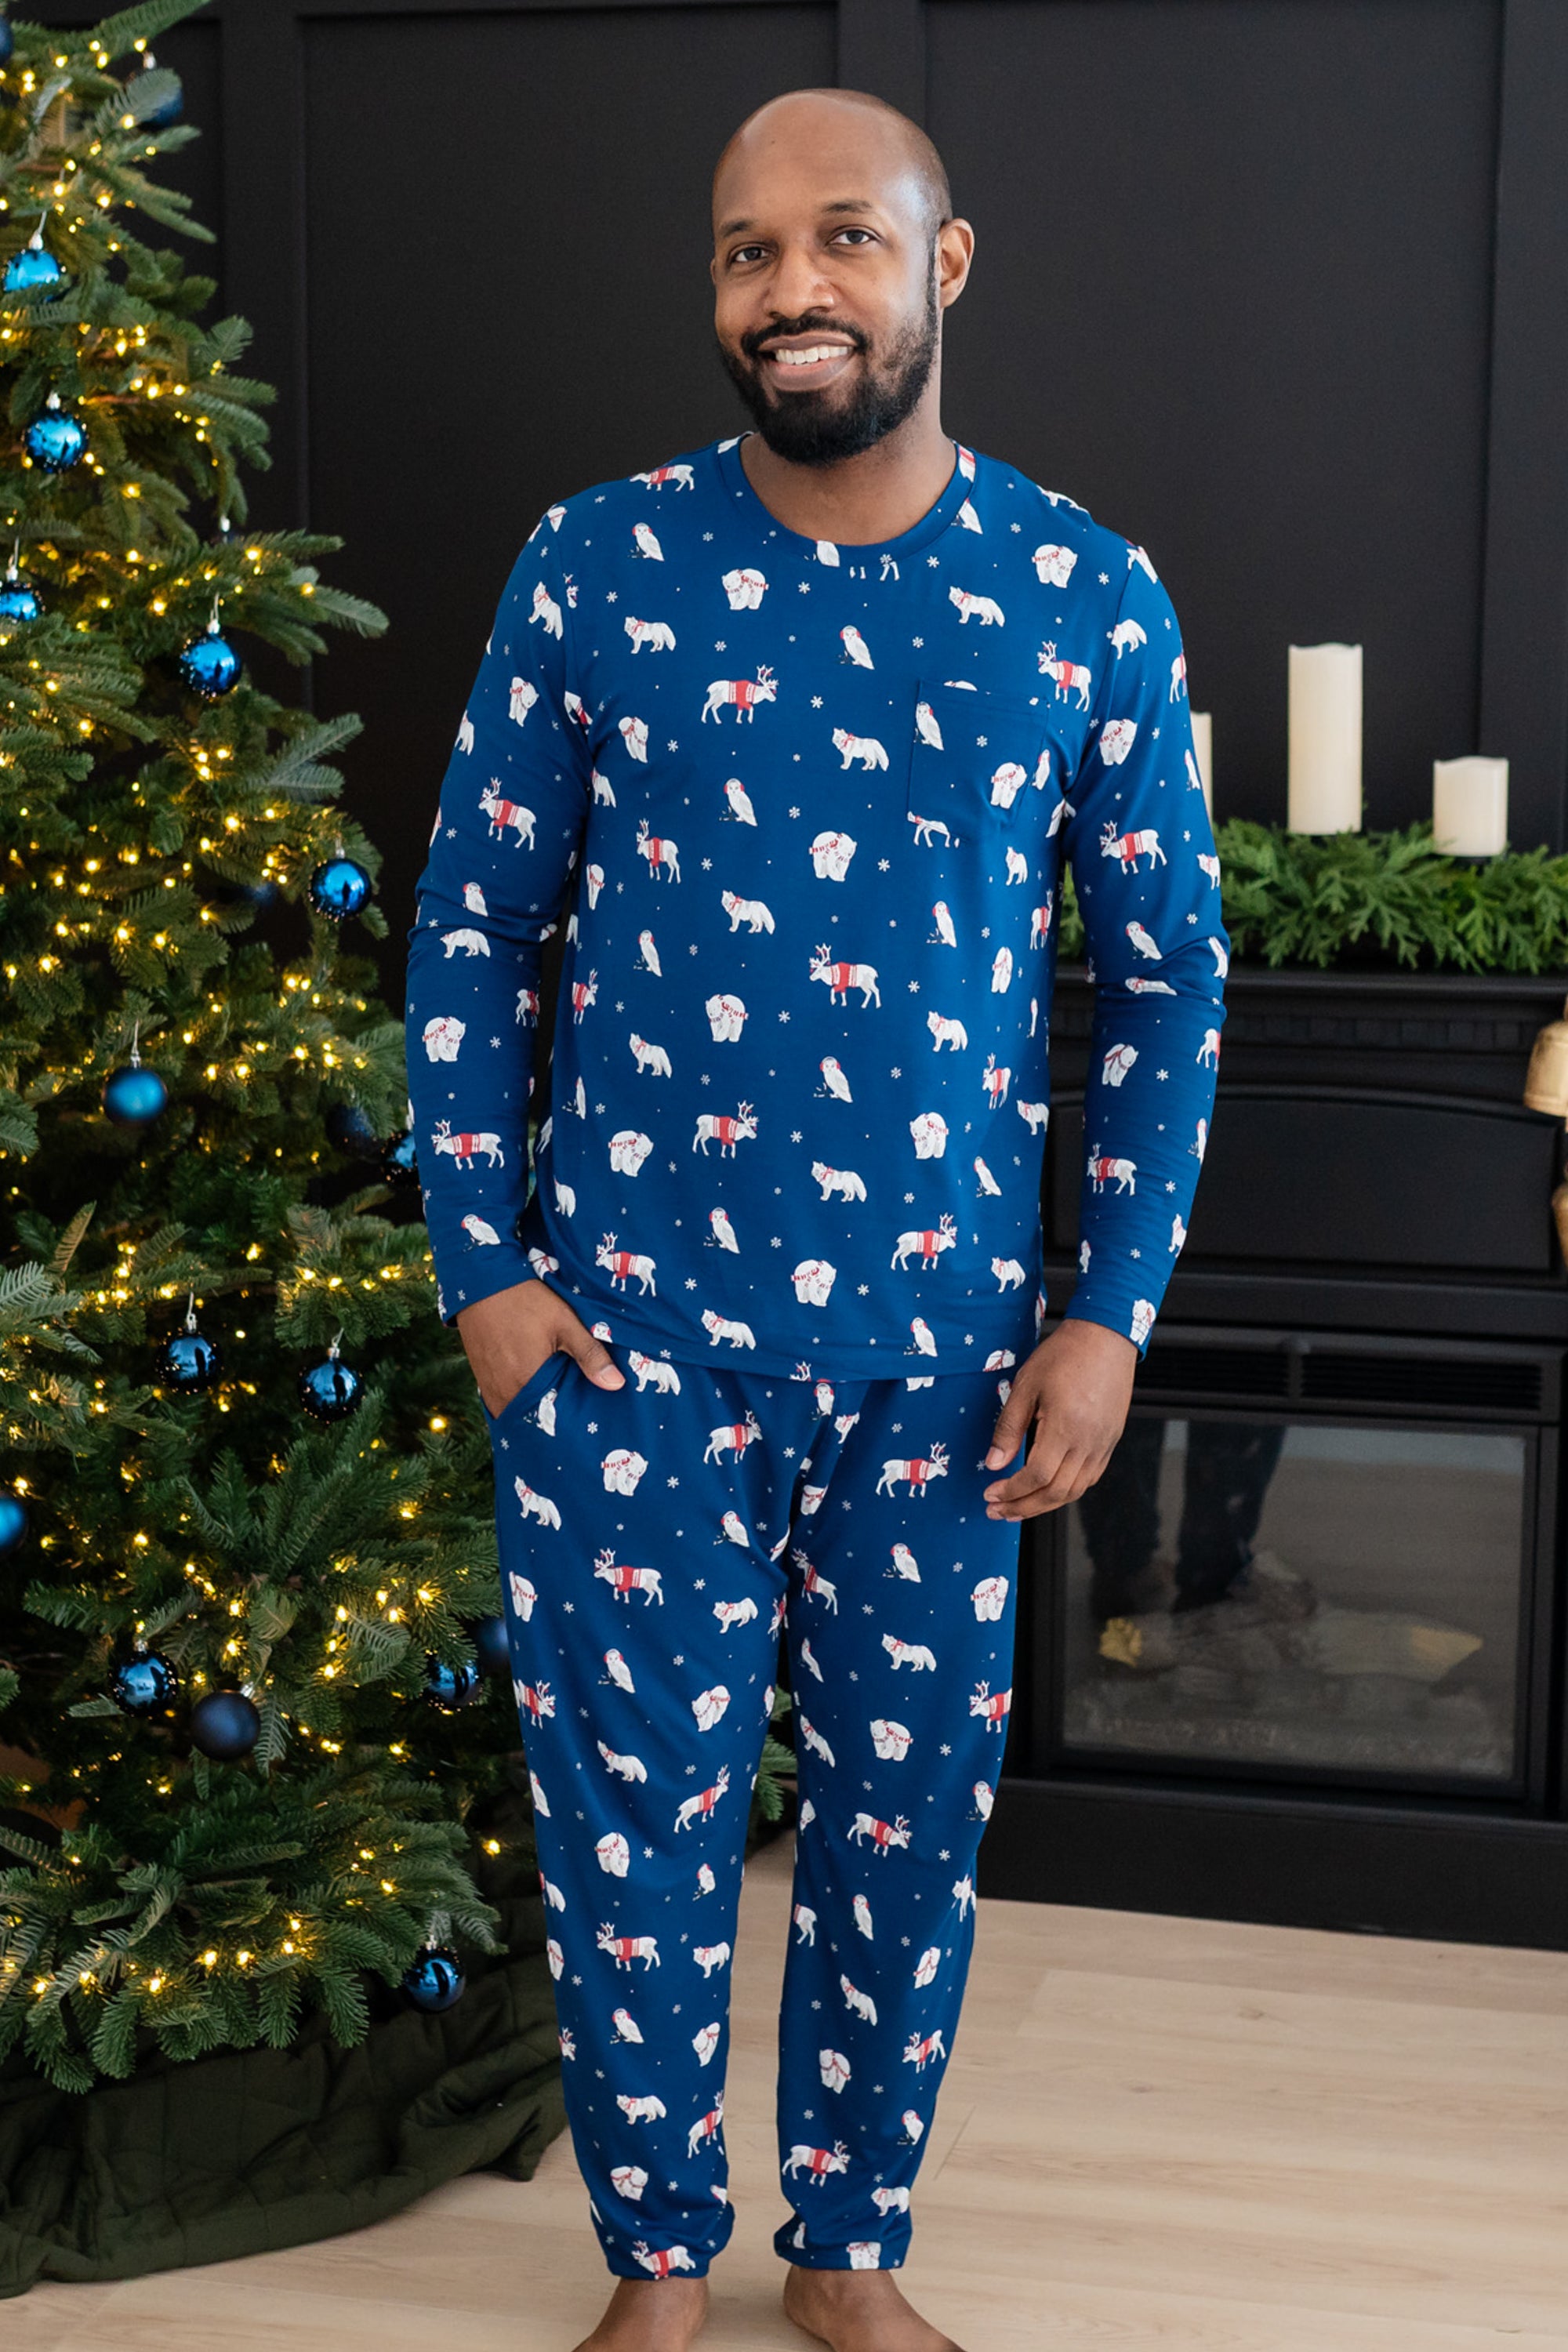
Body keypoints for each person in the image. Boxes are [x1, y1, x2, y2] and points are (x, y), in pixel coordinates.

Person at [403, 85, 1226, 2352]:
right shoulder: (596, 567)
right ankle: (658, 2264)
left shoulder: (1082, 593)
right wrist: (487, 1267)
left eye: (844, 241)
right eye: (748, 254)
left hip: (946, 1363)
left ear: (944, 268)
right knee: (632, 1834)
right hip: (625, 1351)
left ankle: (846, 2254)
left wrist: (1111, 1314)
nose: (792, 291)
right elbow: (473, 930)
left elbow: (1164, 983)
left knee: (898, 1841)